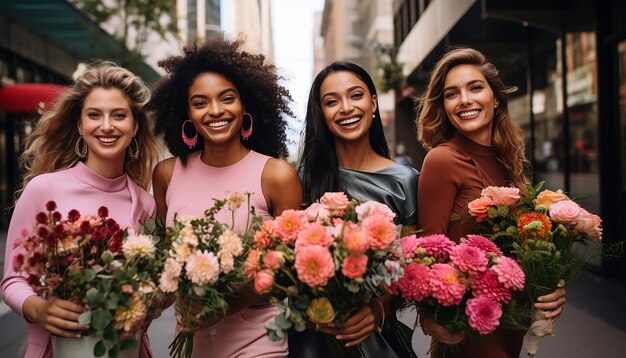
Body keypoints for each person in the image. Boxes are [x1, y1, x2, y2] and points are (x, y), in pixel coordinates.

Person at [148, 34, 302, 357]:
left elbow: (288, 272)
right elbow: (165, 258)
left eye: (227, 98)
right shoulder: (166, 174)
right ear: (186, 113)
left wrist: (224, 304)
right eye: (200, 102)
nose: (215, 111)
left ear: (245, 103)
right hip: (191, 341)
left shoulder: (276, 176)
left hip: (258, 341)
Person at [1, 62, 160, 357]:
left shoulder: (145, 204)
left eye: (119, 115)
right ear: (79, 124)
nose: (107, 125)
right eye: (94, 115)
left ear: (135, 125)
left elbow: (149, 292)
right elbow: (14, 279)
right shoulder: (44, 189)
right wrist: (38, 308)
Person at [416, 47, 566, 357]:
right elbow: (428, 254)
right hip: (467, 336)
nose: (465, 100)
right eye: (452, 94)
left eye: (475, 87)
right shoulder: (442, 160)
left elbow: (527, 248)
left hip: (512, 330)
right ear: (443, 106)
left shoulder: (510, 163)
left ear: (495, 98)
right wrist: (430, 317)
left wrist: (552, 285)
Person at [297, 61, 418, 357]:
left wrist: (379, 308)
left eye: (356, 95)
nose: (346, 108)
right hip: (314, 340)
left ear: (373, 102)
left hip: (380, 338)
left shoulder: (406, 180)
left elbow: (412, 266)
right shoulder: (302, 179)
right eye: (331, 101)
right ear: (321, 115)